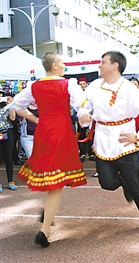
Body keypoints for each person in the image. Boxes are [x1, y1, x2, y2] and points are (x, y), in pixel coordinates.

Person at [79, 51, 139, 236]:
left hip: (125, 142)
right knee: (106, 183)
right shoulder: (94, 86)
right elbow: (84, 105)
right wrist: (83, 114)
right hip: (102, 141)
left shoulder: (129, 89)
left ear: (115, 65)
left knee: (135, 185)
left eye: (103, 62)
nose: (99, 65)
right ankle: (123, 183)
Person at [12, 52, 87, 247]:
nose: (65, 66)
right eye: (62, 63)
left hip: (43, 131)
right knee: (57, 181)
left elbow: (16, 105)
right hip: (61, 132)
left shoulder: (34, 86)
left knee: (53, 175)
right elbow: (81, 105)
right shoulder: (68, 84)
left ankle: (47, 214)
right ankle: (44, 231)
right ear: (54, 66)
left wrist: (36, 119)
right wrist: (84, 115)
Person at [0, 90, 17, 193]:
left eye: (1, 94)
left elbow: (13, 118)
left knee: (9, 158)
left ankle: (10, 181)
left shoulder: (7, 106)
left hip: (8, 132)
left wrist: (12, 105)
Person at [76, 77, 95, 162]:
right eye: (81, 84)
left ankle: (91, 153)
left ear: (87, 84)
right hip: (80, 119)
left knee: (91, 136)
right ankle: (82, 153)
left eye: (84, 84)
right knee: (81, 135)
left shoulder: (91, 93)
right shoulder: (76, 95)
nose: (83, 85)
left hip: (91, 119)